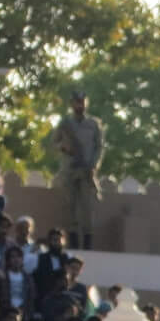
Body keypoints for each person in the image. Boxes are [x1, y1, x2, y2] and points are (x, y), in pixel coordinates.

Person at [49, 92, 104, 249]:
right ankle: (72, 242)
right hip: (69, 169)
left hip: (87, 170)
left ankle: (88, 243)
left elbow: (99, 147)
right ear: (72, 104)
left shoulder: (94, 124)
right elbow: (53, 144)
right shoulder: (65, 123)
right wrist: (64, 147)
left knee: (87, 208)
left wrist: (93, 165)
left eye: (82, 102)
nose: (80, 105)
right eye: (77, 102)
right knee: (69, 206)